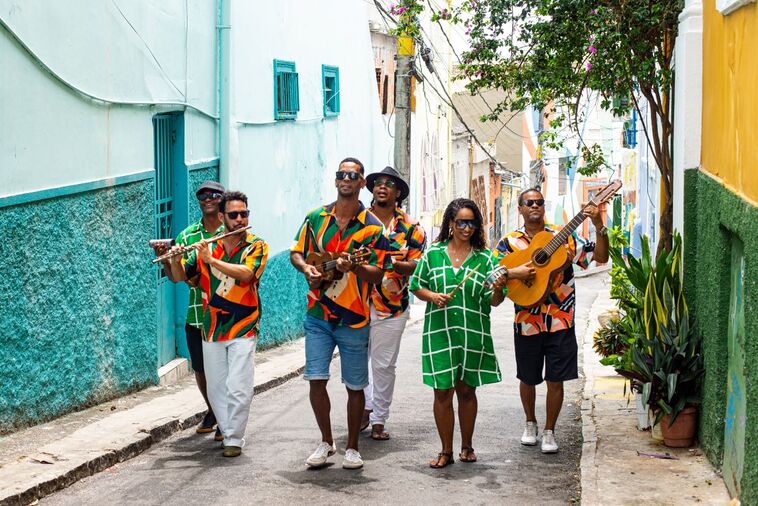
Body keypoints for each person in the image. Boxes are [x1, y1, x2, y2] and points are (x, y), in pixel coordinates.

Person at [409, 198, 528, 468]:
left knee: (466, 391)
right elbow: (416, 285)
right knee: (442, 392)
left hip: (473, 333)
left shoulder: (486, 259)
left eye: (472, 222)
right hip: (439, 333)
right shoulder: (433, 254)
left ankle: (467, 446)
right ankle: (445, 450)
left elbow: (495, 300)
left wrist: (499, 287)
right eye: (461, 222)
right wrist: (433, 296)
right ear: (451, 223)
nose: (466, 228)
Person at [290, 157, 392, 470]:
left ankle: (352, 447)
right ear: (336, 181)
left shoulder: (373, 227)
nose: (346, 179)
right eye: (341, 174)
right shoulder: (315, 217)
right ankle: (325, 441)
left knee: (355, 385)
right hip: (318, 313)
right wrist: (306, 266)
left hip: (354, 316)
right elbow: (297, 251)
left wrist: (357, 266)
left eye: (353, 175)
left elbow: (380, 274)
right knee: (316, 379)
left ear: (363, 183)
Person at [494, 188, 608, 454]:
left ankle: (549, 431)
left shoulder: (563, 236)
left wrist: (599, 225)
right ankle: (530, 423)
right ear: (520, 209)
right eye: (529, 203)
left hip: (560, 319)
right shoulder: (509, 243)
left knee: (556, 379)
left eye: (539, 202)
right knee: (528, 377)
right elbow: (497, 275)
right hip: (527, 320)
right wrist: (514, 273)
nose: (535, 206)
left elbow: (600, 258)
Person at [166, 191, 268, 458]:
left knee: (239, 383)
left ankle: (234, 437)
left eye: (244, 214)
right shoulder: (206, 246)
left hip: (243, 325)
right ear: (222, 217)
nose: (239, 219)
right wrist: (174, 258)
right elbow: (180, 277)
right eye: (233, 215)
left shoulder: (256, 245)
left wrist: (212, 262)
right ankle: (226, 428)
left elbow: (247, 275)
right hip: (211, 327)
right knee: (215, 386)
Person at [152, 180, 224, 438]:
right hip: (197, 312)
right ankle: (214, 410)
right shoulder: (187, 235)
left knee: (221, 370)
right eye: (202, 195)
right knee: (201, 369)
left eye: (213, 195)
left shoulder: (230, 232)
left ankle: (224, 417)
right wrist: (167, 258)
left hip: (225, 313)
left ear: (222, 199)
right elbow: (176, 277)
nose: (207, 199)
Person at [361, 166, 426, 441]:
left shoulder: (411, 228)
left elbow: (417, 265)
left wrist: (393, 263)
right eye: (377, 183)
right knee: (357, 361)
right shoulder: (358, 221)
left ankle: (378, 418)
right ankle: (365, 406)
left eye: (389, 183)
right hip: (356, 301)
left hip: (392, 305)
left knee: (383, 364)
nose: (382, 187)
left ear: (398, 192)